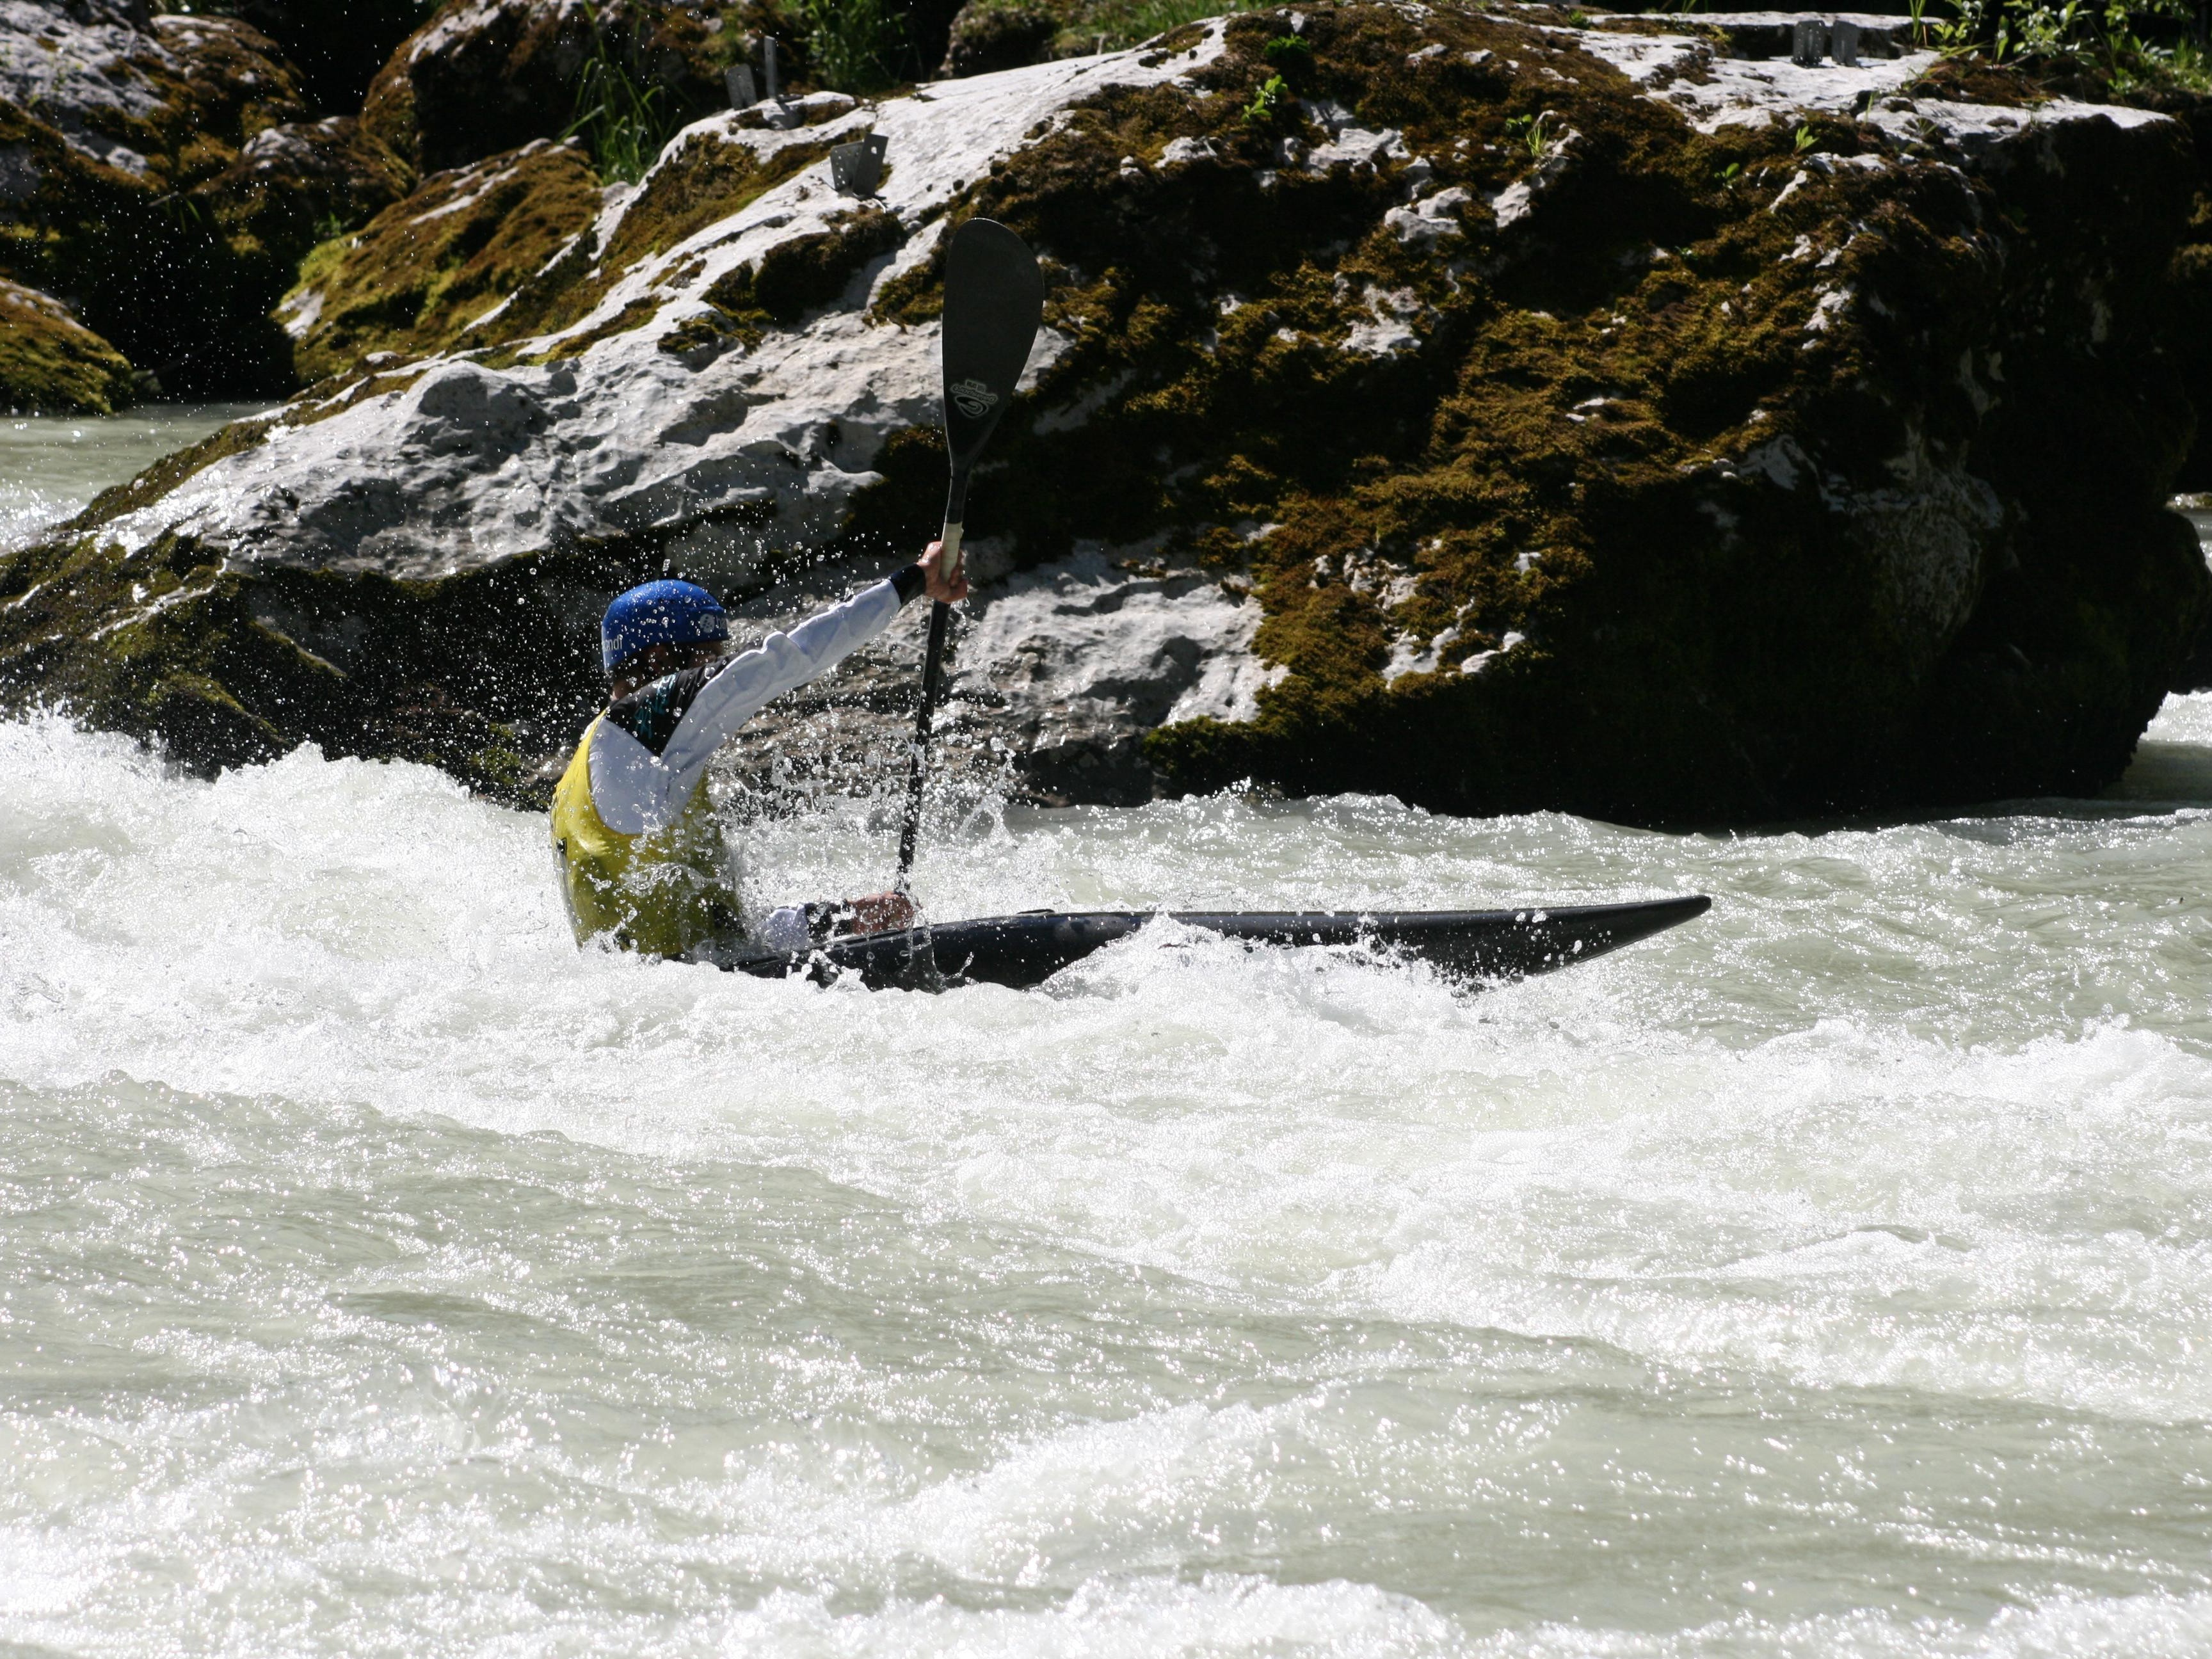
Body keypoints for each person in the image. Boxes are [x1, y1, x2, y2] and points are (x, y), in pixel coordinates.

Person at [549, 546, 966, 962]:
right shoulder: (639, 724)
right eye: (708, 658)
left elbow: (726, 936)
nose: (717, 670)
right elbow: (788, 658)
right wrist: (913, 582)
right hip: (679, 992)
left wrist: (849, 918)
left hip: (669, 990)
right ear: (660, 661)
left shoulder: (597, 770)